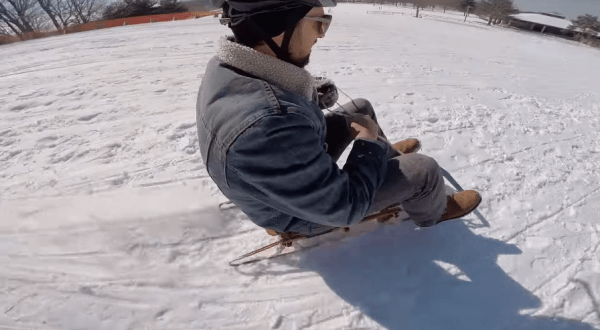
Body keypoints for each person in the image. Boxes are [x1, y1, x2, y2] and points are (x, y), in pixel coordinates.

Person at [196, 0, 481, 236]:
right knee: (424, 170)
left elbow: (272, 107)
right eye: (319, 23)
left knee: (361, 109)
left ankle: (387, 159)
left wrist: (309, 94)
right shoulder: (269, 124)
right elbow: (346, 207)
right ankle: (434, 211)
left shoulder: (228, 63)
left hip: (281, 176)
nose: (322, 34)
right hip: (291, 213)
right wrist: (368, 145)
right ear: (278, 28)